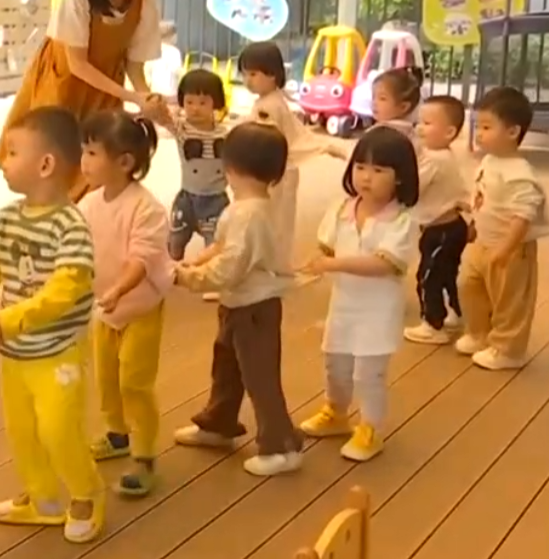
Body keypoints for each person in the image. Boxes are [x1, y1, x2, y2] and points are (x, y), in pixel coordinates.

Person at [0, 107, 105, 543]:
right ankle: (44, 500)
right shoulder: (7, 218)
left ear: (45, 165)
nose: (2, 161)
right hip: (15, 354)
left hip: (58, 354)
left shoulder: (71, 225)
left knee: (58, 430)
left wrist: (6, 320)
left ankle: (86, 494)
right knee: (22, 432)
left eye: (11, 152)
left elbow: (65, 290)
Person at [0, 0, 168, 201]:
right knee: (53, 160)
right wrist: (133, 97)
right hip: (63, 81)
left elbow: (135, 66)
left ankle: (90, 219)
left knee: (100, 160)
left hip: (106, 85)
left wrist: (146, 98)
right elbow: (77, 64)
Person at [171, 122, 303, 477]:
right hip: (238, 304)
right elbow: (221, 246)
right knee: (227, 367)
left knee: (260, 378)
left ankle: (282, 446)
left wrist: (188, 278)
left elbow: (231, 265)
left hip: (254, 308)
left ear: (229, 166)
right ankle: (219, 423)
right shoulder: (248, 206)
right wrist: (195, 261)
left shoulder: (248, 214)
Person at [299, 126, 419, 463]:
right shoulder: (341, 208)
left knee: (369, 374)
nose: (366, 177)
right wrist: (310, 266)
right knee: (335, 365)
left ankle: (370, 428)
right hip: (342, 307)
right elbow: (325, 249)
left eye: (379, 170)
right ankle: (336, 413)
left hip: (377, 313)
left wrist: (332, 263)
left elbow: (384, 264)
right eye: (360, 167)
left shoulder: (403, 220)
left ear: (400, 176)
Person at [78, 110, 172, 496]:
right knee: (106, 379)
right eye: (83, 151)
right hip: (105, 309)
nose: (84, 161)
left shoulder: (146, 208)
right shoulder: (89, 203)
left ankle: (145, 456)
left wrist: (118, 289)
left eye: (92, 153)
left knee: (134, 382)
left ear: (125, 162)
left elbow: (141, 259)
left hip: (140, 307)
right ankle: (117, 435)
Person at [457, 87, 549, 371]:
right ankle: (479, 334)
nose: (478, 133)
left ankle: (508, 349)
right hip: (482, 241)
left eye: (487, 127)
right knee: (469, 285)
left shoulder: (520, 173)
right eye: (478, 126)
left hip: (511, 248)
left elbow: (523, 215)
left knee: (509, 300)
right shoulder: (489, 161)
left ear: (513, 132)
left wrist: (507, 247)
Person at [151, 68, 232, 301]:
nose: (195, 108)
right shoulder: (182, 128)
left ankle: (212, 280)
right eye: (189, 102)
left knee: (214, 243)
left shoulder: (226, 134)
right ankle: (168, 274)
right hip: (187, 197)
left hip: (216, 199)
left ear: (216, 102)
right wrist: (156, 103)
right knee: (175, 240)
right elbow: (163, 118)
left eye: (203, 102)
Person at [237, 41, 318, 267]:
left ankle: (273, 264)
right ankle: (273, 262)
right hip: (277, 170)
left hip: (275, 173)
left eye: (254, 74)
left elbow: (264, 139)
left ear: (272, 74)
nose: (248, 80)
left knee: (273, 220)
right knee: (276, 219)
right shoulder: (271, 100)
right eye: (244, 74)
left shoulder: (269, 106)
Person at [403, 96, 472, 345]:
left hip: (440, 230)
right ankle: (454, 313)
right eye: (419, 122)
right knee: (446, 274)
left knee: (428, 277)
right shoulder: (442, 155)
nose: (420, 128)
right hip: (451, 227)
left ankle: (433, 325)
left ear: (449, 132)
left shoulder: (434, 159)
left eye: (428, 123)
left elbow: (413, 188)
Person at [149, 21, 184, 99]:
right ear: (172, 35)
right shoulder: (174, 51)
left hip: (154, 90)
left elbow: (149, 71)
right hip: (170, 92)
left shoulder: (153, 49)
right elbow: (177, 71)